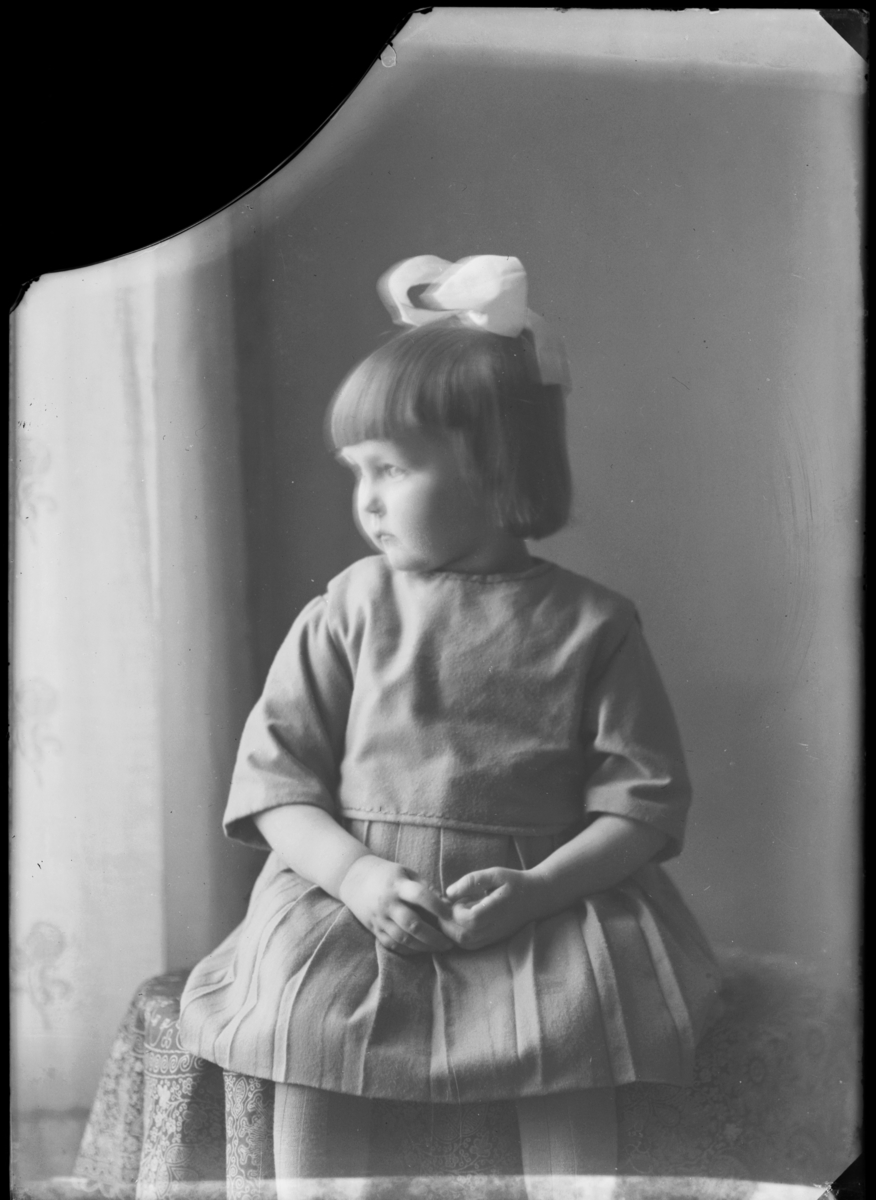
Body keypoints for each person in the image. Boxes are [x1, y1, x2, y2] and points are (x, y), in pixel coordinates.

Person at [178, 255, 721, 1189]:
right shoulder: (349, 607)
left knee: (577, 1024)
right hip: (359, 895)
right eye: (358, 473)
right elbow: (276, 785)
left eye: (391, 469)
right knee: (306, 1020)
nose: (368, 499)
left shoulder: (594, 624)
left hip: (535, 900)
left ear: (492, 466)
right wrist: (355, 877)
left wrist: (540, 889)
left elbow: (642, 806)